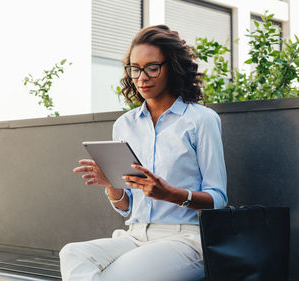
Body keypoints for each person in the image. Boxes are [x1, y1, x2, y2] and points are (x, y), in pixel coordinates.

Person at [59, 25, 227, 281]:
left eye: (152, 67)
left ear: (171, 67)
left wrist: (171, 194)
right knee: (72, 254)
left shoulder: (201, 120)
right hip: (134, 235)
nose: (142, 77)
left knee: (113, 276)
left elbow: (219, 198)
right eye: (135, 68)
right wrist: (111, 186)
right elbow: (127, 207)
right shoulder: (124, 125)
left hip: (186, 239)